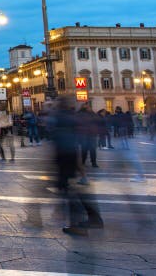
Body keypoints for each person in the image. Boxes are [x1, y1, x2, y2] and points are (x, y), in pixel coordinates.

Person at [52, 96, 103, 236]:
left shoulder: (59, 117)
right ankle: (94, 217)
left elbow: (57, 138)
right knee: (73, 189)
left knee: (67, 189)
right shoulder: (72, 116)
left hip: (64, 155)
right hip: (72, 153)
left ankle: (77, 225)